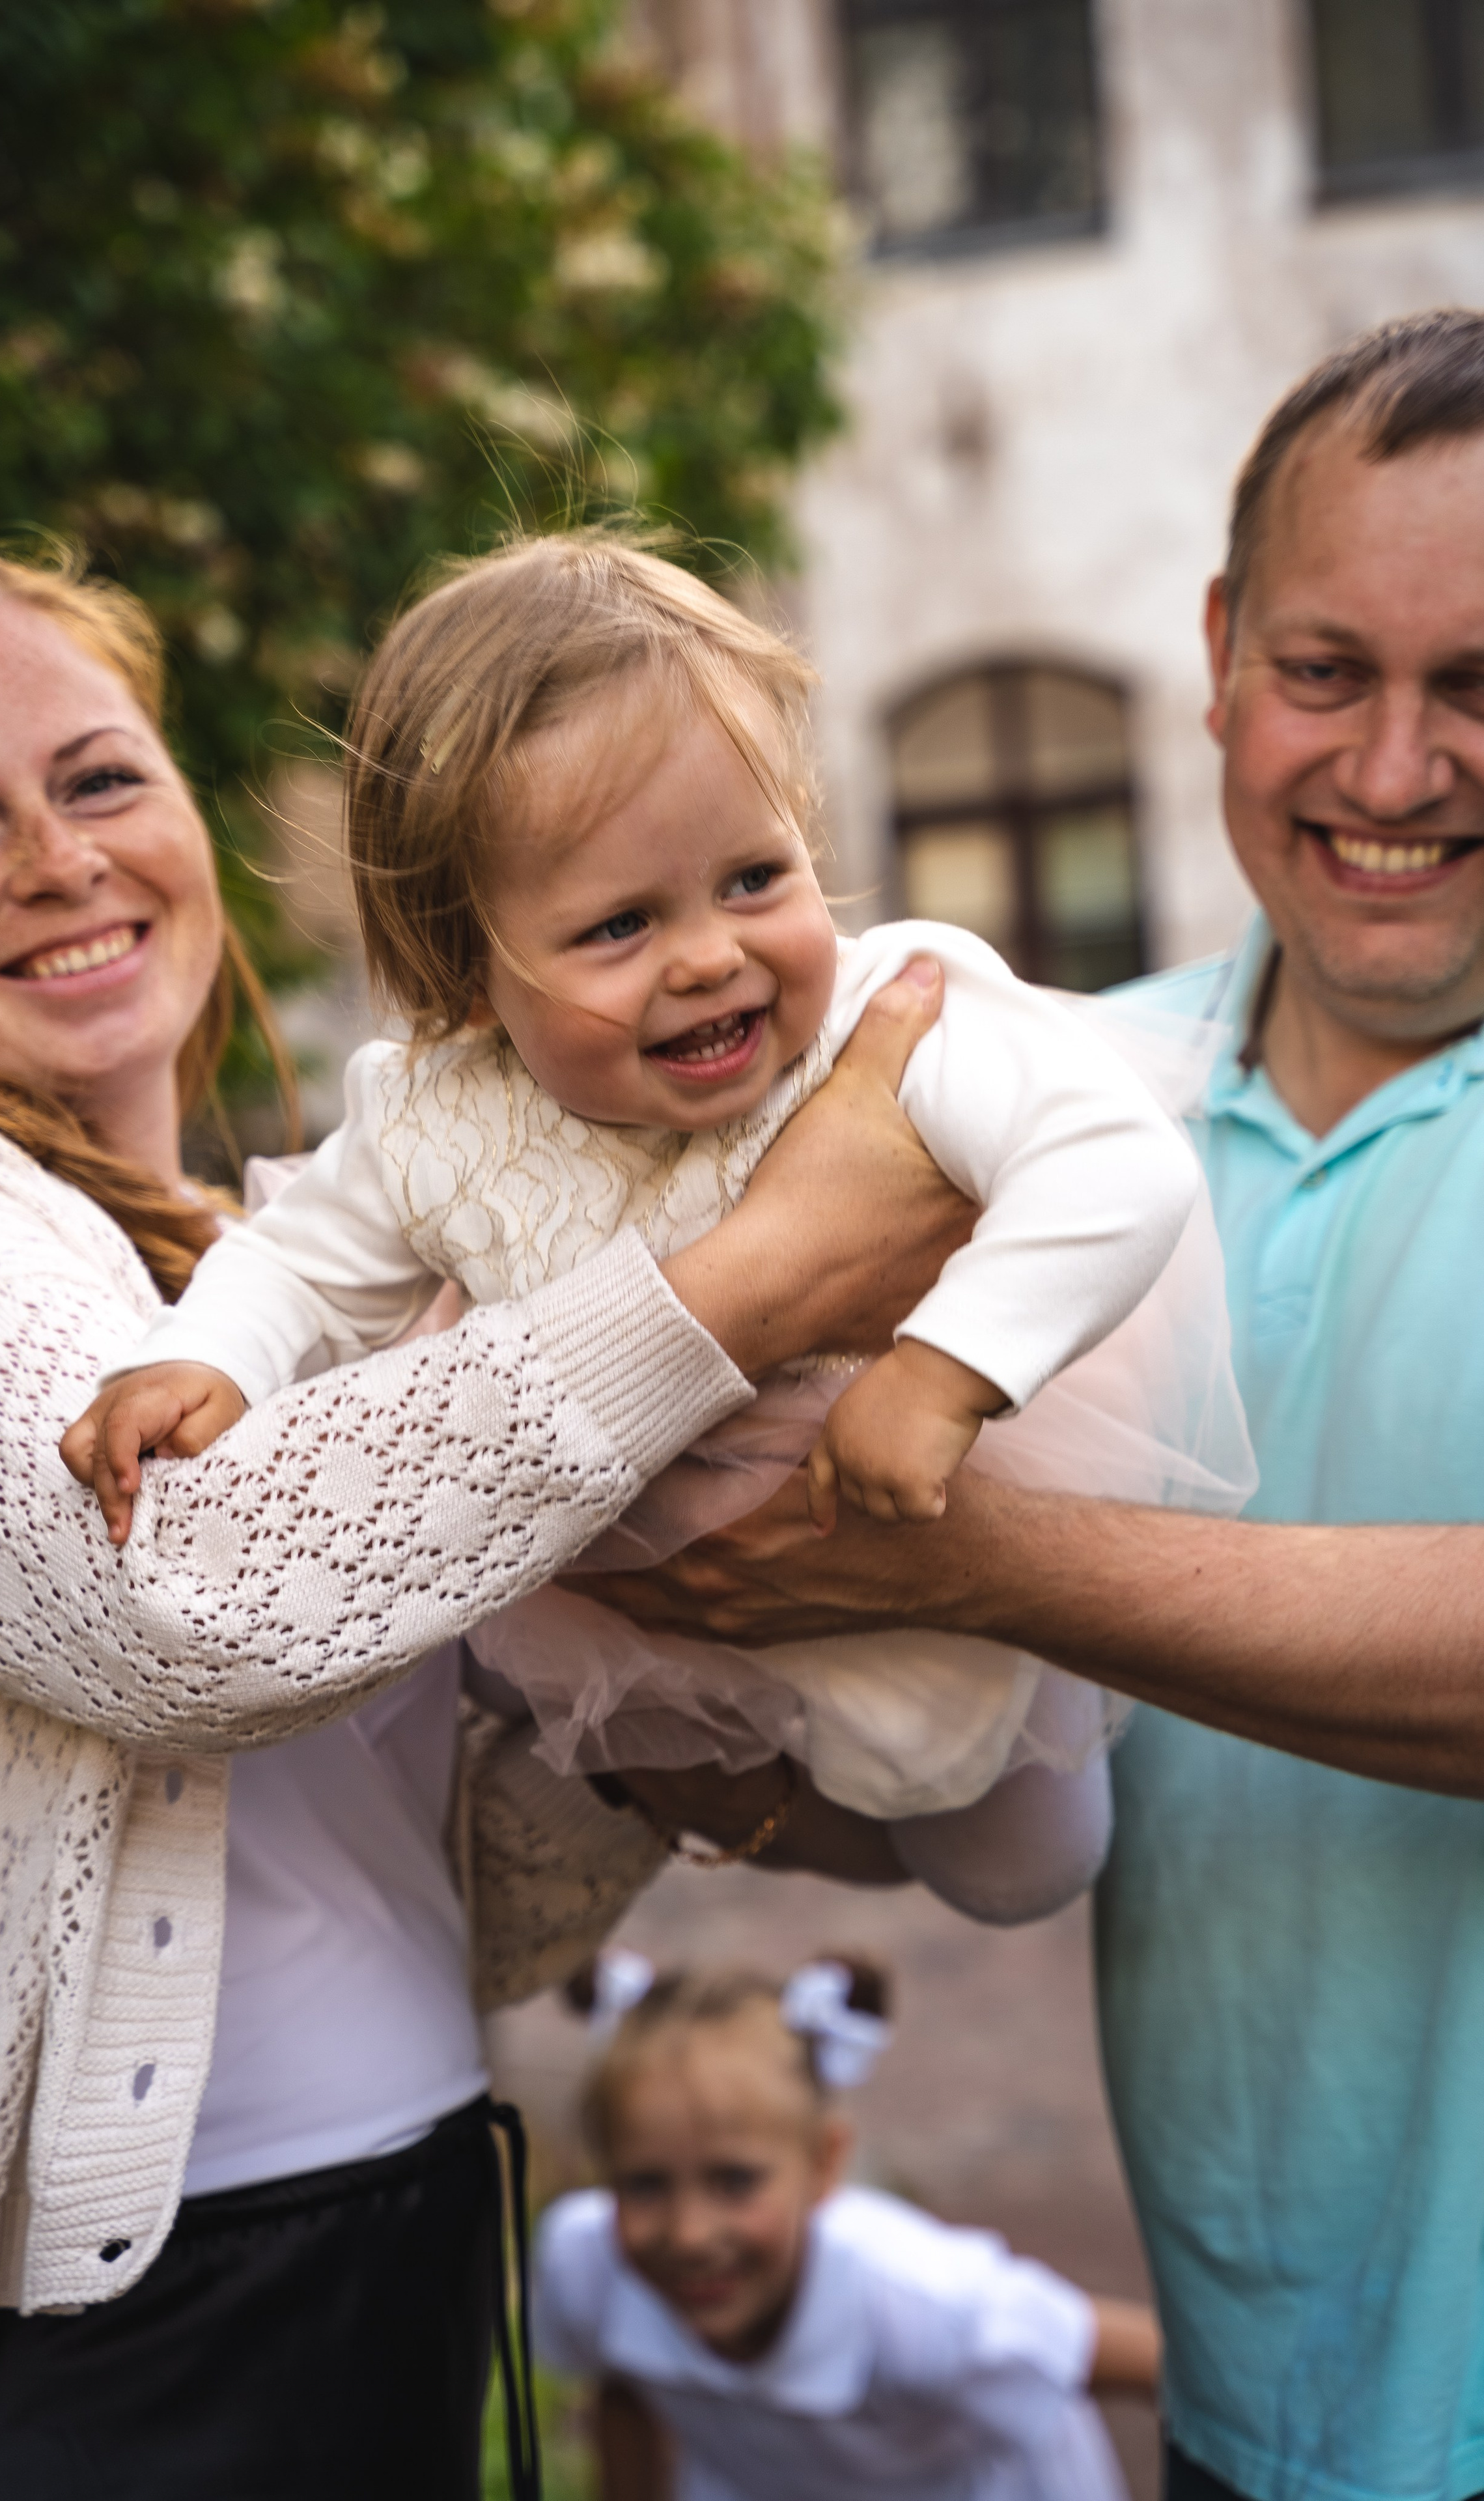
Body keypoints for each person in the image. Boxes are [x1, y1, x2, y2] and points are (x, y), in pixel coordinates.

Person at [0, 535, 970, 2498]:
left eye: (100, 778)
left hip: (393, 2219)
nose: (60, 859)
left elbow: (403, 1823)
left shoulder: (264, 1244)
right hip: (92, 2354)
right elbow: (186, 1606)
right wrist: (754, 1278)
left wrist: (695, 1745)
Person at [596, 309, 1484, 2501]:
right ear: (1212, 651)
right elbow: (1014, 1735)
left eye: (1479, 683)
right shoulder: (1050, 1090)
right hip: (1238, 2401)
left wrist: (975, 1553)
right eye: (1325, 671)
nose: (1391, 770)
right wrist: (714, 1714)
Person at [68, 534, 1250, 1899]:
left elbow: (1118, 1164)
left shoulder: (891, 1017)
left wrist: (944, 1368)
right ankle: (748, 1810)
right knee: (517, 1684)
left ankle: (890, 1822)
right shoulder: (434, 1118)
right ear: (468, 970)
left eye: (754, 878)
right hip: (637, 1583)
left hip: (907, 1496)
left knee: (1022, 1866)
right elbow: (297, 1268)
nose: (708, 955)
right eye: (617, 926)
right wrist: (202, 1359)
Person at [531, 1947, 1160, 2501]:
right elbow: (626, 2391)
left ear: (824, 2162)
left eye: (735, 2181)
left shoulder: (923, 2303)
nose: (689, 2234)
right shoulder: (586, 2267)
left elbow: (1146, 2359)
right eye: (645, 2184)